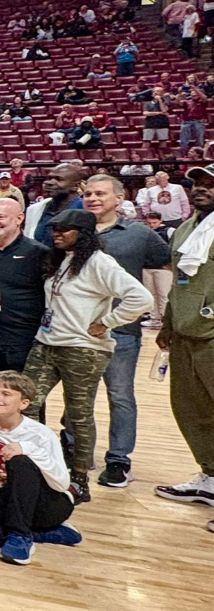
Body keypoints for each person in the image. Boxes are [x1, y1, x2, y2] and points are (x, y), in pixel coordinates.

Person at [22, 209, 150, 504]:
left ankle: (79, 479)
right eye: (55, 229)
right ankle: (36, 466)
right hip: (46, 343)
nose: (57, 234)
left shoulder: (99, 262)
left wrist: (107, 322)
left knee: (78, 416)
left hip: (83, 349)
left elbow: (141, 297)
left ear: (84, 233)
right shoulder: (61, 260)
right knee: (25, 403)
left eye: (65, 230)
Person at [83, 175, 171, 488]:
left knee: (120, 396)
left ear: (119, 199)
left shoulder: (138, 234)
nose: (93, 198)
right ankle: (78, 455)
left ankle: (119, 460)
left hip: (120, 330)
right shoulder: (72, 230)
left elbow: (167, 264)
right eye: (88, 193)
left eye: (100, 193)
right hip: (77, 331)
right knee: (79, 397)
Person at [0, 371, 82, 565]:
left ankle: (21, 535)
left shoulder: (41, 434)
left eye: (6, 394)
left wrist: (27, 449)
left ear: (24, 404)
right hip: (10, 496)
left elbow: (61, 482)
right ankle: (46, 534)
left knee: (19, 461)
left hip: (49, 501)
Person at [154, 164, 214, 529]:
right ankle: (210, 476)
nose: (201, 189)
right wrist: (167, 322)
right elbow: (180, 282)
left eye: (210, 184)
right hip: (184, 330)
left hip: (211, 330)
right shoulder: (186, 229)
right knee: (191, 407)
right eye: (196, 183)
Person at [0, 198, 51, 396]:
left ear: (19, 218)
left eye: (0, 217)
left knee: (24, 396)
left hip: (23, 340)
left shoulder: (38, 253)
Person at [26, 164, 85, 243]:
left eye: (59, 179)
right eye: (49, 178)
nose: (49, 182)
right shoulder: (35, 209)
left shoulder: (85, 211)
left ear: (75, 186)